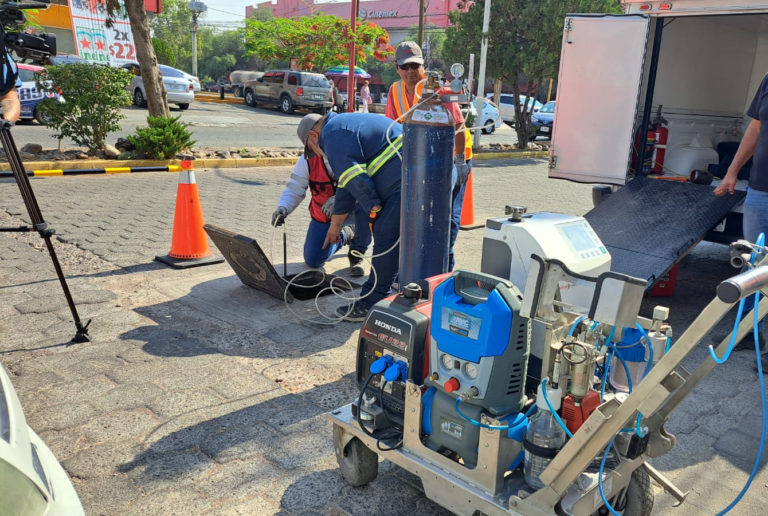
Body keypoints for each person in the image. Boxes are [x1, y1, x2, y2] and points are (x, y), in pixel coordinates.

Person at [296, 111, 403, 322]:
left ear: (313, 136)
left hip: (403, 178)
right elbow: (346, 184)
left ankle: (373, 300)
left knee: (385, 235)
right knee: (398, 237)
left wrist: (373, 208)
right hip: (410, 173)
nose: (317, 154)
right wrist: (335, 226)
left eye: (312, 149)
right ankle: (399, 281)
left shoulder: (333, 134)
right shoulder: (341, 126)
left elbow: (355, 180)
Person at [384, 40, 471, 270]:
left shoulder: (437, 90)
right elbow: (392, 128)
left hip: (454, 156)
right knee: (416, 214)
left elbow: (459, 127)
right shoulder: (394, 91)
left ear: (423, 65)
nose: (411, 71)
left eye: (415, 65)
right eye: (406, 66)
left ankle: (444, 270)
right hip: (419, 159)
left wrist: (460, 162)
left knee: (446, 215)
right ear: (397, 68)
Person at [714, 72, 768, 370]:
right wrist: (733, 170)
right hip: (760, 190)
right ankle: (748, 332)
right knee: (754, 266)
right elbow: (756, 128)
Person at [272, 115, 370, 276]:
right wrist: (283, 208)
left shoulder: (350, 150)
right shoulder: (307, 161)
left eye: (309, 144)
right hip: (325, 215)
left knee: (367, 214)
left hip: (355, 210)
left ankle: (357, 252)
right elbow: (295, 188)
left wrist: (340, 201)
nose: (310, 150)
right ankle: (346, 234)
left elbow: (367, 187)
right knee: (313, 259)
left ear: (314, 136)